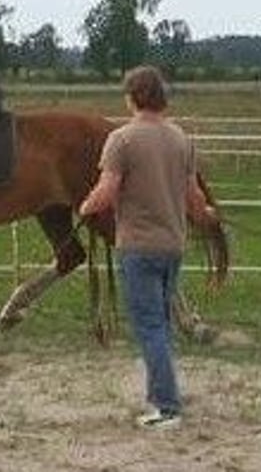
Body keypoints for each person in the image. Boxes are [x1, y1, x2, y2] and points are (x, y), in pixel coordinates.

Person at [79, 65, 216, 430]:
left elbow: (106, 191)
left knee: (150, 326)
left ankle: (167, 407)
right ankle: (163, 395)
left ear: (132, 97)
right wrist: (206, 214)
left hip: (138, 247)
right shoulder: (181, 139)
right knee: (162, 325)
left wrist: (86, 206)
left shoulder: (121, 140)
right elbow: (193, 197)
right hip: (173, 245)